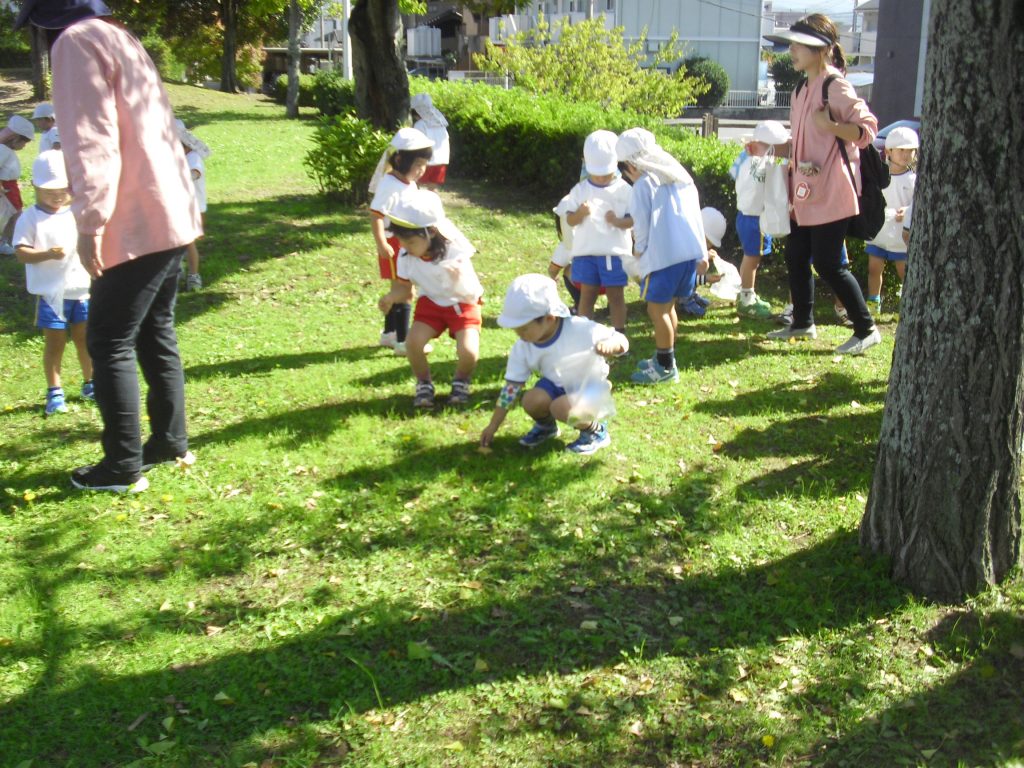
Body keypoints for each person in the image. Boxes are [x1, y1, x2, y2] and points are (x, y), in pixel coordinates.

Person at [17, 0, 203, 492]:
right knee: (153, 332)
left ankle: (122, 467)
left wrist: (89, 222)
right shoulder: (118, 34)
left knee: (108, 340)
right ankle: (168, 440)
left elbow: (92, 140)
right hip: (167, 208)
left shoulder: (75, 42)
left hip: (134, 217)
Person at [764, 14, 882, 355]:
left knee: (829, 262)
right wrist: (768, 148)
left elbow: (868, 129)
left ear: (821, 49)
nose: (792, 52)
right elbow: (800, 144)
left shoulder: (835, 85)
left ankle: (866, 328)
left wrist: (830, 126)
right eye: (792, 45)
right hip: (804, 191)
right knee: (796, 254)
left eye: (799, 45)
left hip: (833, 191)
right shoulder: (801, 89)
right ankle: (803, 322)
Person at [480, 274, 628, 455]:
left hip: (590, 386)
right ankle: (546, 427)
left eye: (524, 328)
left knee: (562, 407)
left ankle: (596, 432)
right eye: (516, 330)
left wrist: (612, 346)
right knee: (531, 400)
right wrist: (493, 426)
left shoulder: (580, 328)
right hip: (555, 384)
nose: (520, 335)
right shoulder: (523, 347)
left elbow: (622, 340)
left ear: (550, 318)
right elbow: (511, 389)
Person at [614, 128, 708, 384]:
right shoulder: (680, 177)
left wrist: (638, 251)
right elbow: (695, 216)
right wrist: (701, 250)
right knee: (668, 308)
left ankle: (666, 367)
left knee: (657, 311)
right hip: (687, 256)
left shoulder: (643, 186)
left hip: (662, 259)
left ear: (632, 164)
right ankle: (664, 356)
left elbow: (641, 225)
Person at [378, 188, 483, 409]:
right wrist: (391, 297)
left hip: (462, 302)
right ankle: (424, 383)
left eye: (411, 243)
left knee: (469, 350)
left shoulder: (454, 248)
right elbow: (404, 289)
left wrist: (459, 276)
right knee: (413, 343)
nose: (405, 248)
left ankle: (461, 381)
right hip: (431, 302)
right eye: (401, 243)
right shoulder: (406, 255)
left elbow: (470, 289)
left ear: (431, 232)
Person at [14, 150, 93, 416]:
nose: (57, 195)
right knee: (55, 342)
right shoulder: (30, 217)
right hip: (50, 293)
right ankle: (55, 391)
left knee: (85, 339)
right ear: (35, 188)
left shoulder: (77, 212)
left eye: (63, 189)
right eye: (49, 190)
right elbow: (21, 252)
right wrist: (47, 254)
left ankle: (90, 383)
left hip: (81, 289)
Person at [368, 127, 434, 355]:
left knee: (398, 290)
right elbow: (376, 215)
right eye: (417, 165)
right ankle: (405, 342)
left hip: (404, 243)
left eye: (424, 165)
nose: (421, 170)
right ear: (399, 159)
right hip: (395, 245)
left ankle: (389, 335)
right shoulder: (390, 185)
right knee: (406, 291)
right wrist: (381, 244)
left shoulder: (405, 182)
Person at [564, 130, 632, 334]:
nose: (601, 178)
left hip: (613, 252)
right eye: (597, 173)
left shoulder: (624, 190)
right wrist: (580, 213)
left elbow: (633, 220)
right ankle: (584, 334)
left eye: (606, 173)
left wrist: (618, 221)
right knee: (587, 294)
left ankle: (619, 333)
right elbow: (569, 219)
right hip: (586, 253)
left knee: (616, 295)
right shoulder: (580, 190)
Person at [730, 120, 790, 320]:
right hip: (755, 217)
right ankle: (747, 297)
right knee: (752, 258)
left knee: (750, 256)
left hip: (743, 214)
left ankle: (746, 292)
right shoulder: (767, 163)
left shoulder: (744, 156)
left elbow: (732, 173)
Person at [865, 126, 918, 314]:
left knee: (904, 270)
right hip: (880, 229)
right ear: (889, 151)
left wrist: (908, 211)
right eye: (901, 150)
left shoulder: (914, 180)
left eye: (910, 150)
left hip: (900, 234)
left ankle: (909, 304)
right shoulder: (880, 174)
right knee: (874, 268)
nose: (905, 154)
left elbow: (916, 203)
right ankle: (873, 302)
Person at [176, 119, 212, 292]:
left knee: (188, 242)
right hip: (178, 206)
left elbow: (194, 174)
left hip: (193, 208)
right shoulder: (177, 157)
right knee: (175, 241)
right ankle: (178, 271)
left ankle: (193, 275)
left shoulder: (193, 157)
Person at [0, 115, 35, 255]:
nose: (24, 146)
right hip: (6, 189)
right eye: (24, 142)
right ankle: (4, 242)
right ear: (15, 138)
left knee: (15, 214)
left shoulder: (6, 150)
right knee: (12, 214)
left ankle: (7, 240)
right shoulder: (3, 150)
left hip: (11, 186)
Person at [410, 93, 450, 188]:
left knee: (416, 186)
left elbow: (416, 143)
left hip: (425, 161)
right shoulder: (441, 123)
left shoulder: (420, 124)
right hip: (441, 160)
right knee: (433, 187)